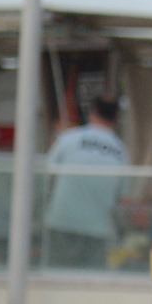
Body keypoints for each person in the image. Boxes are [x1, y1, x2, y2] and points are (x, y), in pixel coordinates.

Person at [43, 96, 126, 270]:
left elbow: (46, 175)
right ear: (116, 119)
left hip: (62, 223)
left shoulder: (68, 138)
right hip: (98, 230)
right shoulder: (120, 151)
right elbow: (123, 197)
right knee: (90, 283)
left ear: (92, 113)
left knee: (56, 279)